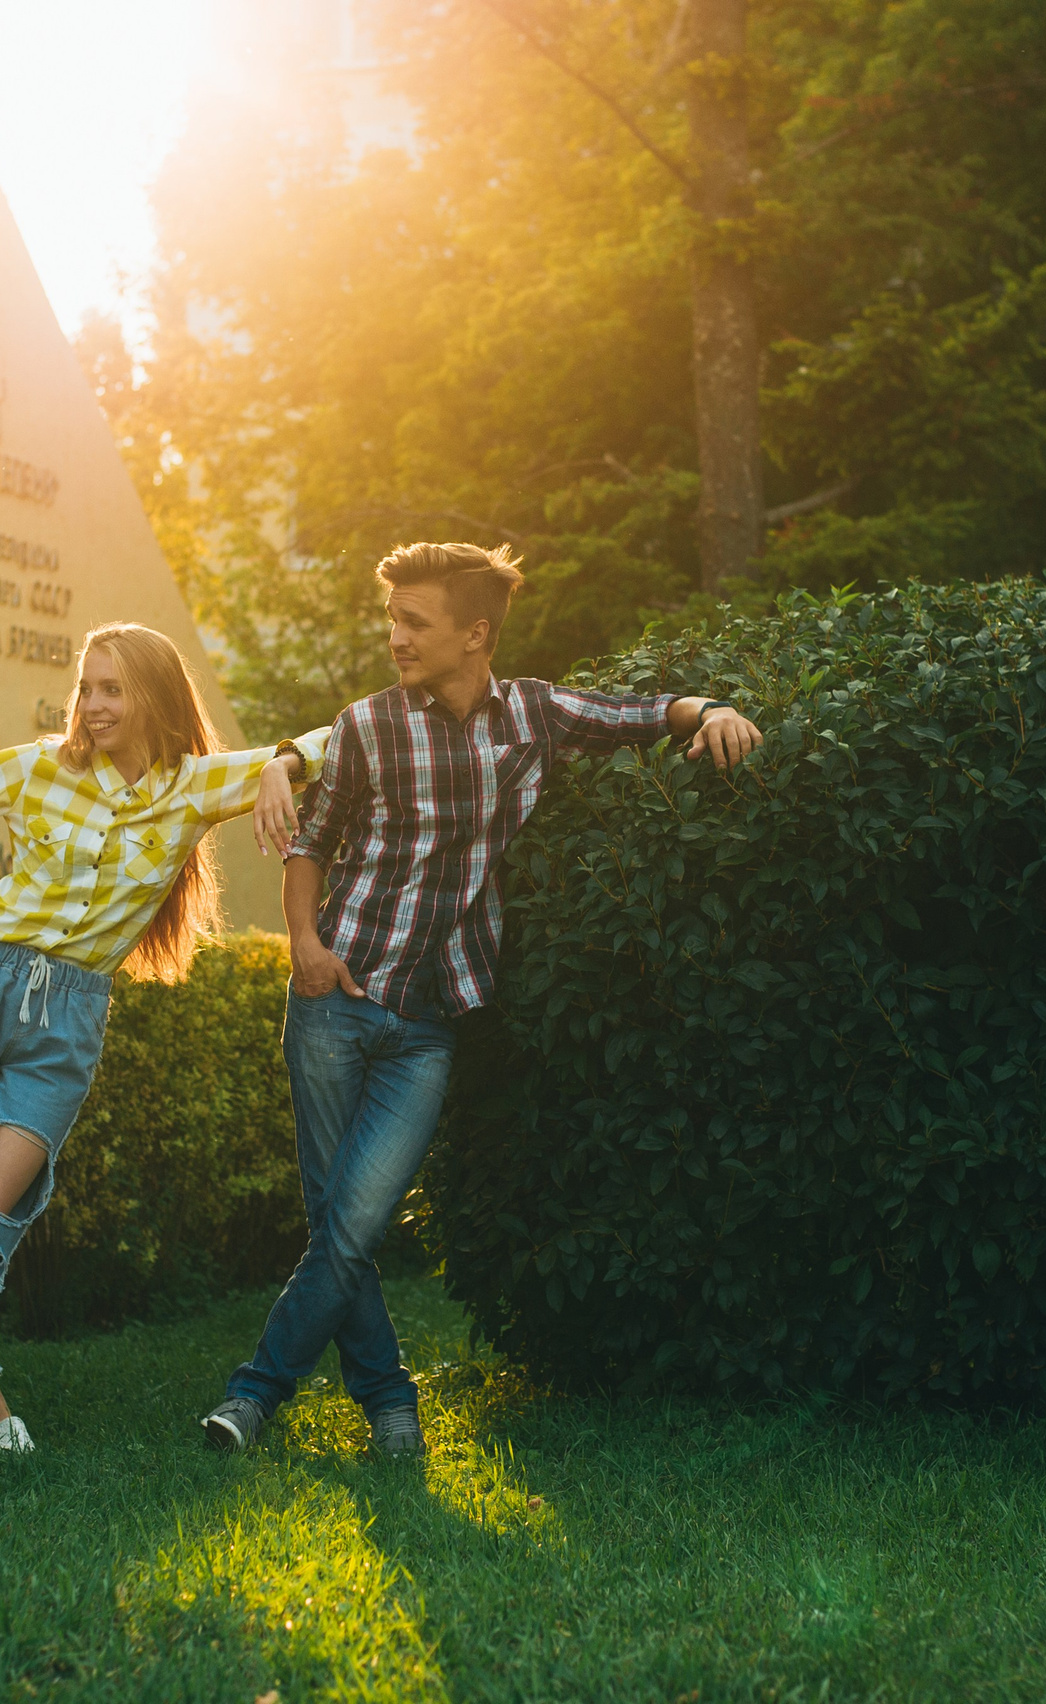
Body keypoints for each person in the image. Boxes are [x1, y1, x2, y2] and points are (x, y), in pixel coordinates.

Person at [201, 542, 764, 1457]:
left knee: (352, 1222)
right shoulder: (368, 724)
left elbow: (639, 713)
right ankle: (385, 1408)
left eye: (413, 622)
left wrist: (714, 711)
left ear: (475, 634)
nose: (395, 637)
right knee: (341, 1226)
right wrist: (305, 946)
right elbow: (312, 844)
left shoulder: (534, 714)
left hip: (428, 1023)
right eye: (392, 619)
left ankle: (259, 1393)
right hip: (334, 1002)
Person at [0, 622, 324, 1467]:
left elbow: (335, 743)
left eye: (112, 689)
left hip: (65, 1023)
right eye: (86, 688)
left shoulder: (191, 788)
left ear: (154, 698)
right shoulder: (41, 767)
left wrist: (283, 764)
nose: (93, 706)